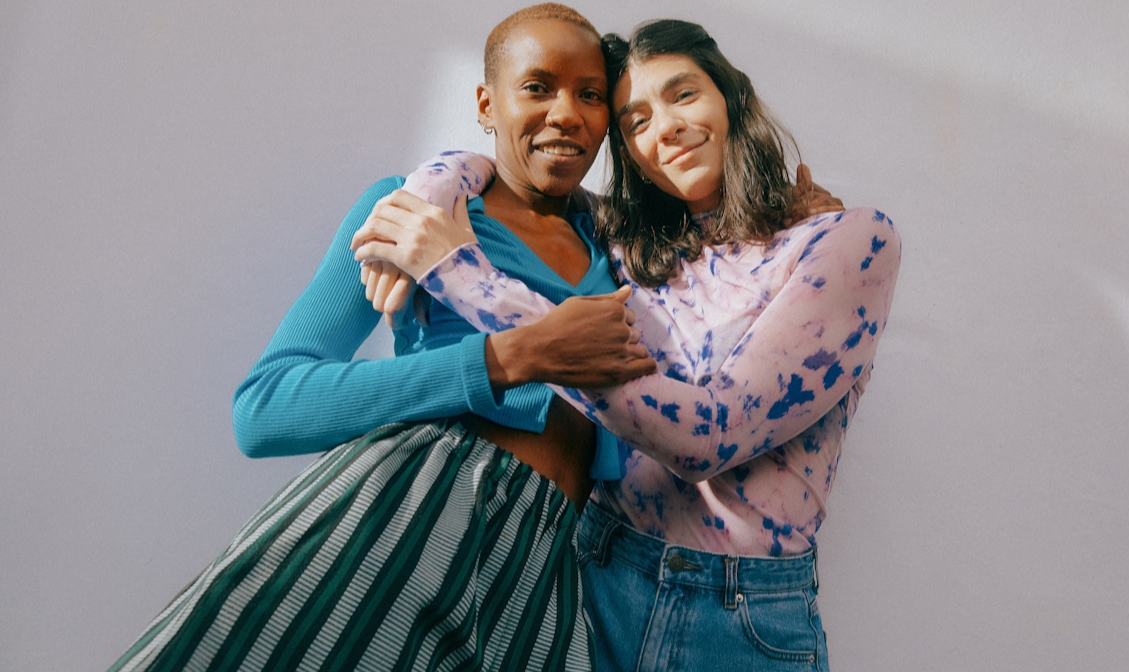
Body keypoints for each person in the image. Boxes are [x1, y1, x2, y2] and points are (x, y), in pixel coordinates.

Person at [107, 5, 657, 672]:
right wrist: (507, 358)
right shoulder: (412, 209)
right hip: (408, 514)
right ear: (487, 103)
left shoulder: (629, 252)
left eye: (590, 94)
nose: (567, 112)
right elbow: (265, 408)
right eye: (537, 86)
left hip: (547, 567)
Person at [351, 18, 902, 672]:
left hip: (738, 621)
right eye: (634, 120)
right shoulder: (627, 241)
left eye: (683, 95)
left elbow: (710, 437)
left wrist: (456, 269)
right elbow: (500, 170)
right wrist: (423, 198)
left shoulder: (848, 241)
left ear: (732, 98)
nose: (663, 126)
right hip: (592, 575)